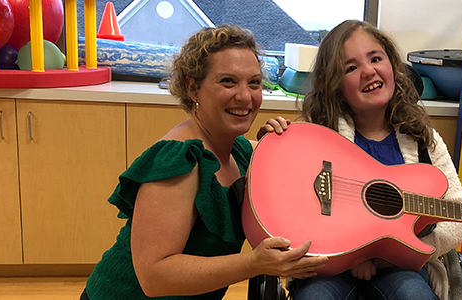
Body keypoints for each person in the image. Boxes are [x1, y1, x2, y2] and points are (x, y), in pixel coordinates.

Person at [81, 25, 328, 300]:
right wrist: (254, 263)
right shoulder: (179, 160)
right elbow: (154, 277)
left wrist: (279, 145)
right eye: (228, 82)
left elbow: (306, 167)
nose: (245, 96)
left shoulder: (239, 150)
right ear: (193, 88)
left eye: (254, 83)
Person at [260, 20, 462, 300]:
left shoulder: (424, 139)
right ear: (334, 85)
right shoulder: (316, 135)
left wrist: (405, 250)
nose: (368, 71)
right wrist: (273, 144)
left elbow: (459, 216)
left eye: (375, 58)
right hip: (328, 265)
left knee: (413, 295)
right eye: (351, 68)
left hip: (400, 267)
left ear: (392, 66)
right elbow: (291, 207)